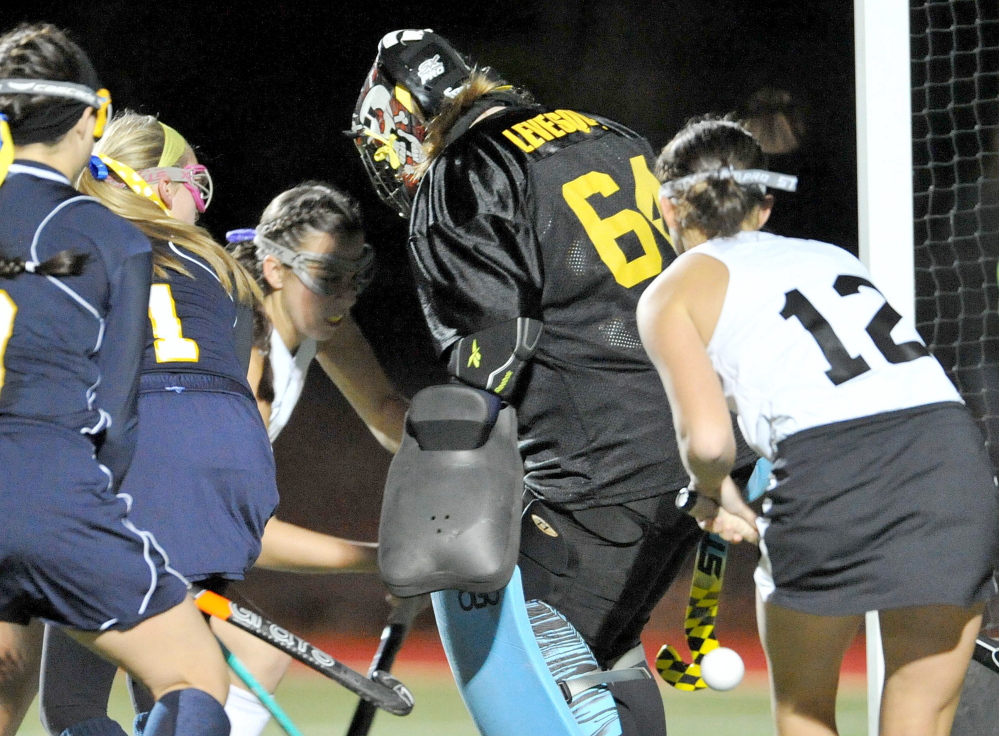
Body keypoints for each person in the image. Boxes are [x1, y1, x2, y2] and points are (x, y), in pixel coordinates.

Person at [350, 30, 756, 736]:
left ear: (402, 118)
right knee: (603, 650)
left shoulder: (465, 170)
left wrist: (450, 477)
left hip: (601, 463)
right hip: (698, 432)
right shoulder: (611, 134)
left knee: (523, 668)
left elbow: (493, 350)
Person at [636, 114, 999, 736]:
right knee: (921, 715)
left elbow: (708, 441)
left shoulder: (670, 292)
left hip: (831, 469)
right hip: (951, 457)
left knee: (805, 712)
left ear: (667, 206)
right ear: (765, 206)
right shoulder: (831, 255)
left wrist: (712, 494)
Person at [0, 22, 230, 736]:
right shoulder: (111, 236)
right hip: (45, 488)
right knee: (196, 680)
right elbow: (115, 423)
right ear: (94, 116)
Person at [36, 110, 278, 736]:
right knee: (179, 675)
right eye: (191, 182)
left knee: (73, 700)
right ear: (161, 186)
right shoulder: (217, 263)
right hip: (230, 449)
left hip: (136, 437)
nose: (197, 200)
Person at [218, 182, 408, 736]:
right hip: (110, 528)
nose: (345, 298)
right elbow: (243, 534)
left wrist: (481, 459)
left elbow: (386, 411)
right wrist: (382, 559)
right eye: (327, 279)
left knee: (68, 699)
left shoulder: (317, 326)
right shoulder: (240, 355)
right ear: (274, 268)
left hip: (137, 531)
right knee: (255, 659)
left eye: (356, 278)